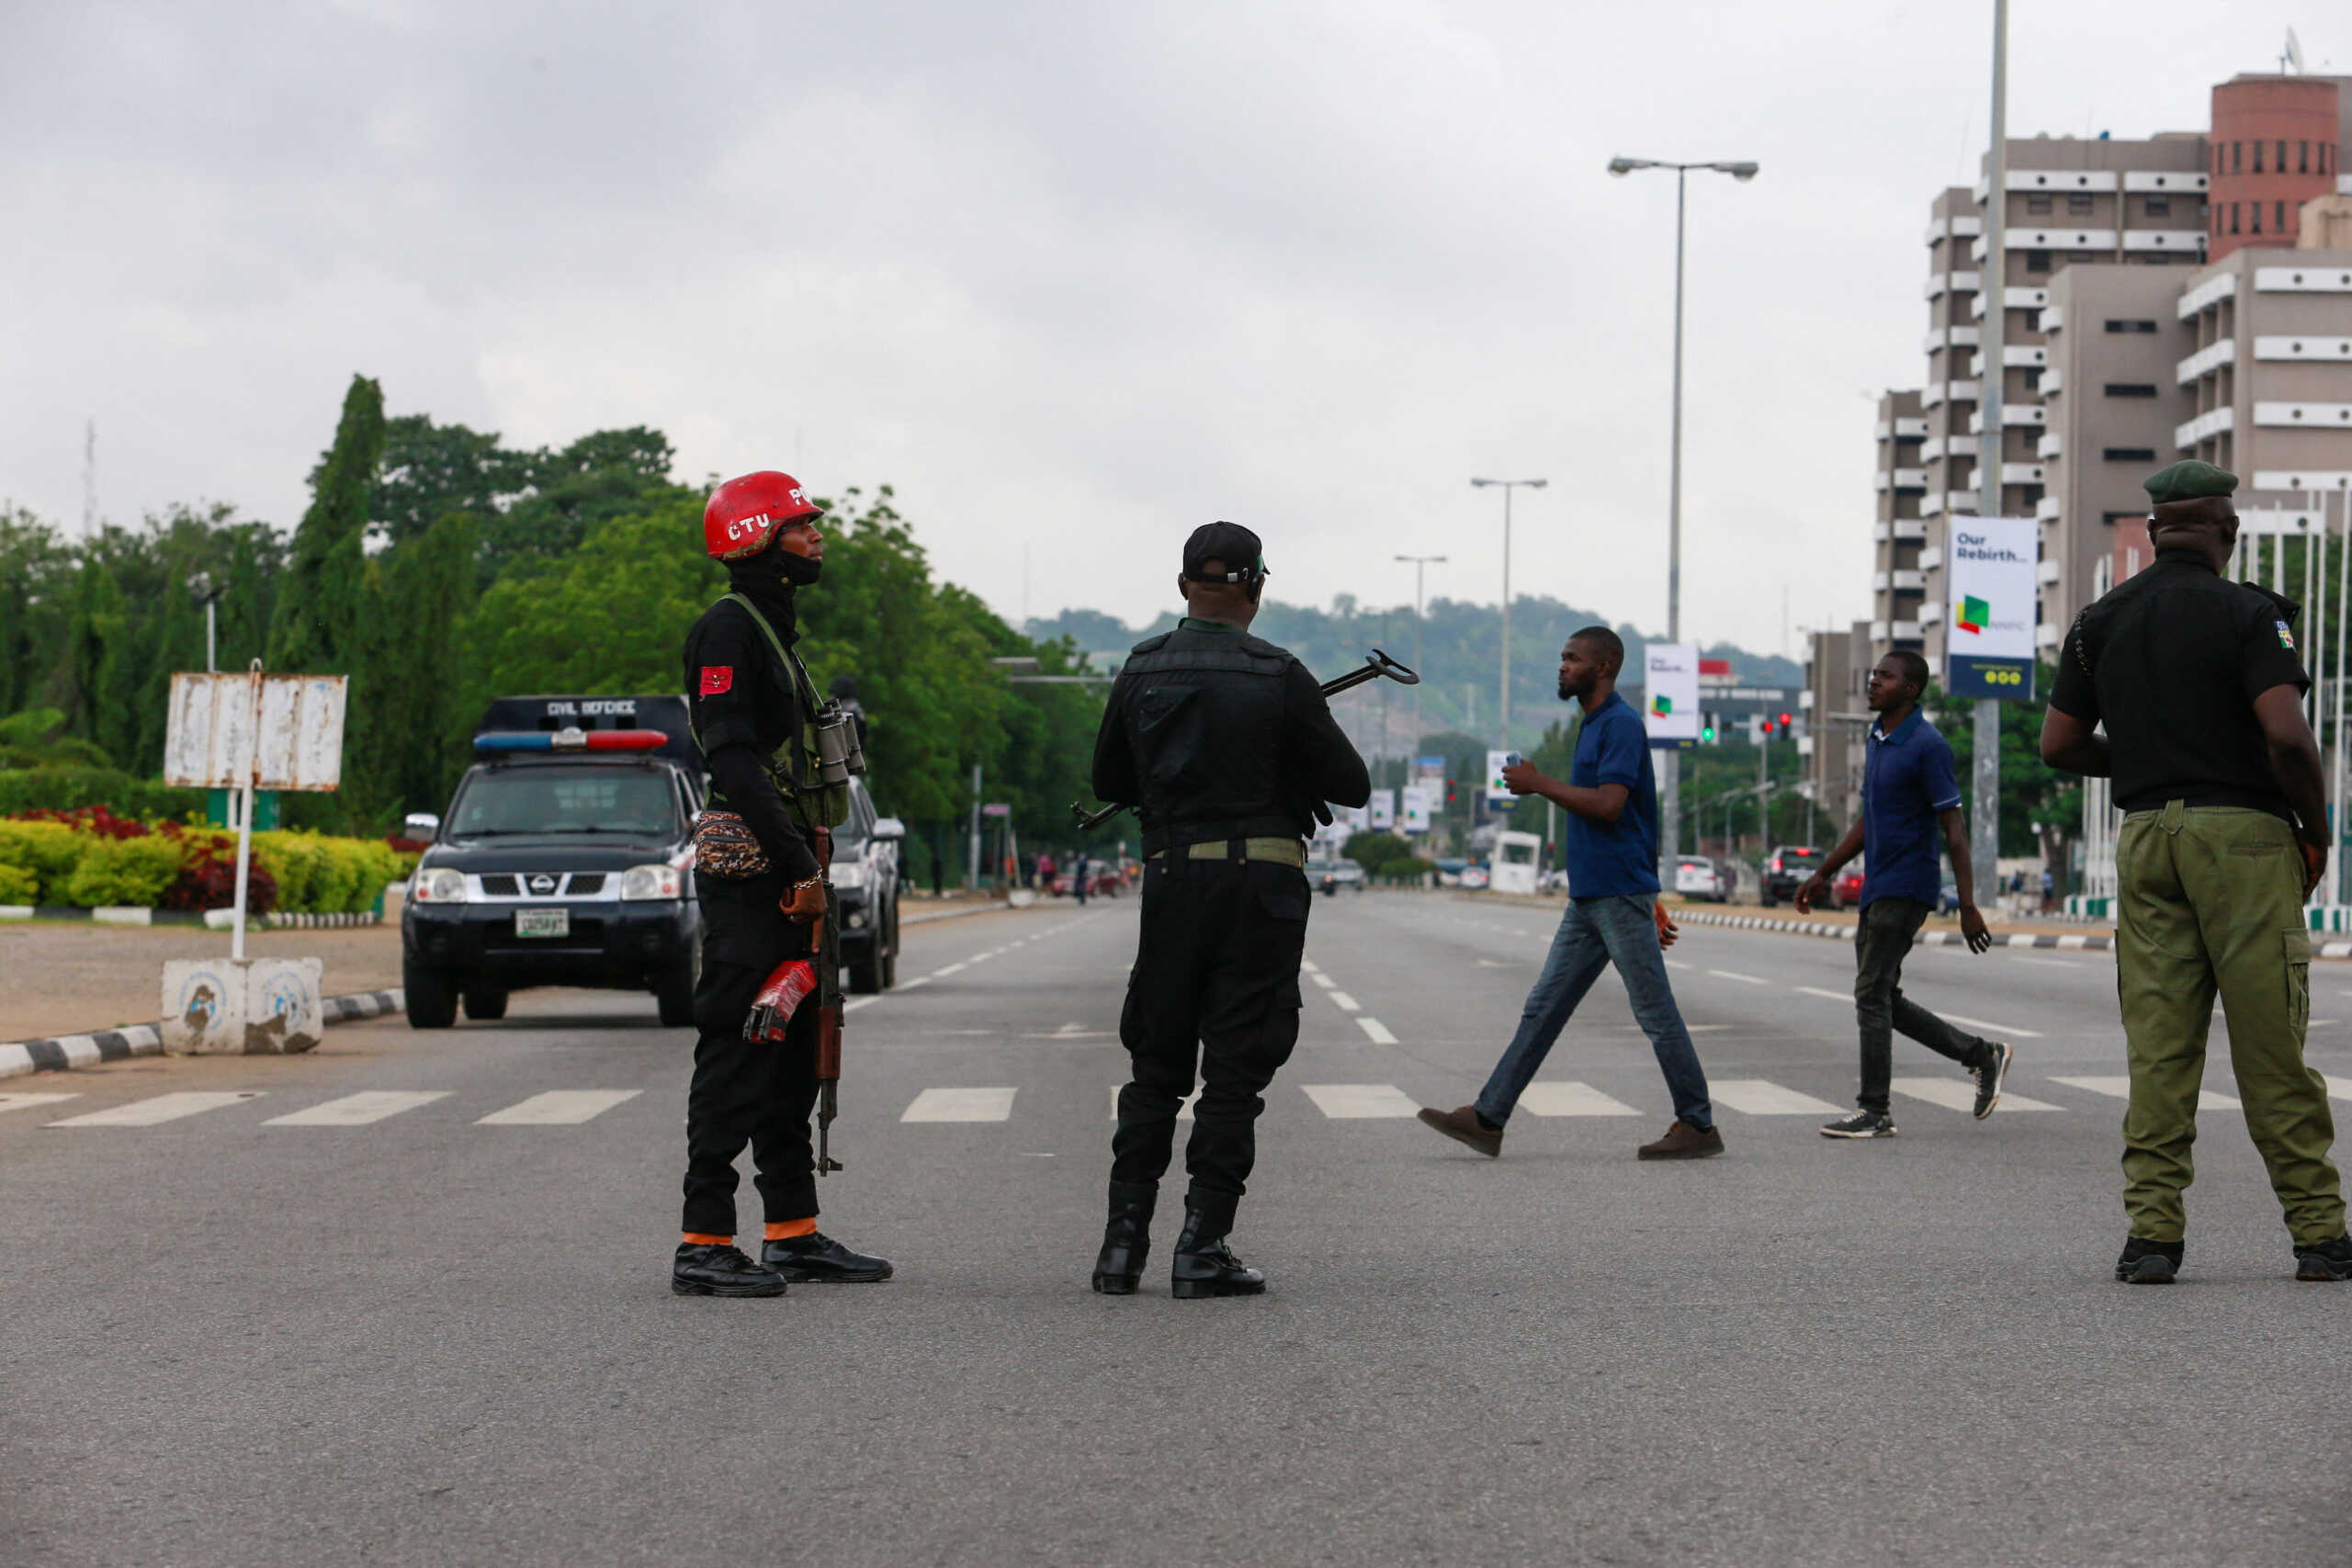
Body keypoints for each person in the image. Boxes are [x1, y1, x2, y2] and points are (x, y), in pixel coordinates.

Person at [2041, 459, 2349, 1284]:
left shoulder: (2097, 621)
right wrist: (2315, 832)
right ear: (2228, 532)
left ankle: (2152, 1237)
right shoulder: (2252, 614)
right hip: (2244, 842)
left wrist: (2143, 760)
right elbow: (2285, 735)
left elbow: (2060, 746)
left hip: (2145, 840)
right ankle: (2319, 1234)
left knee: (2160, 1048)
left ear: (2150, 533)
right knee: (2270, 1043)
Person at [1088, 521, 1370, 1297]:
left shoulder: (1142, 668)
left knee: (1155, 1069)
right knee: (1234, 1077)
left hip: (1174, 881)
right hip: (1263, 890)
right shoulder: (1279, 674)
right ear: (1255, 588)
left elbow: (1111, 779)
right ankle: (1201, 1246)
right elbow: (1352, 783)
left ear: (1185, 586)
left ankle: (1120, 1250)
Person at [671, 470, 893, 1298]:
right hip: (756, 870)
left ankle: (792, 1231)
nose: (818, 534)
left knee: (791, 1051)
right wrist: (799, 867)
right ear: (758, 536)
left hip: (793, 860)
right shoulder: (729, 629)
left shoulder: (773, 629)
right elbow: (729, 756)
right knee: (736, 1047)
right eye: (803, 524)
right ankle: (703, 1239)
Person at [1417, 627, 1723, 1161]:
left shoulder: (1621, 725)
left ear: (1603, 666)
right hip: (1592, 896)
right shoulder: (1594, 725)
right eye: (1561, 657)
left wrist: (1539, 783)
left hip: (1616, 893)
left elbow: (1610, 806)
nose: (1562, 666)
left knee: (1655, 1011)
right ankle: (1488, 1118)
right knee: (1543, 1008)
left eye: (1572, 659)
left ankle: (1697, 1123)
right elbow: (1623, 819)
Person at [1794, 649, 2007, 1139]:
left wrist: (1968, 905)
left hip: (1908, 886)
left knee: (1870, 993)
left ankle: (1875, 1110)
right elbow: (1868, 822)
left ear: (1910, 690)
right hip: (1876, 885)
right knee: (1882, 995)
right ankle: (1979, 1054)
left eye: (1885, 677)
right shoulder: (1879, 738)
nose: (1873, 681)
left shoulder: (1927, 745)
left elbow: (1954, 828)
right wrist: (1823, 872)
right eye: (1874, 674)